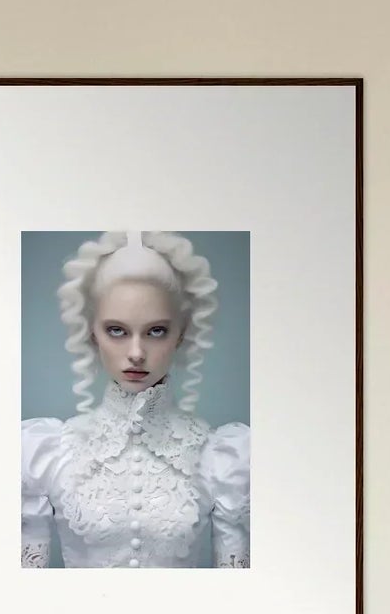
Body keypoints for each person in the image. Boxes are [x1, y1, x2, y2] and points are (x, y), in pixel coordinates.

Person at [21, 231, 251, 569]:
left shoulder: (223, 458)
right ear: (92, 333)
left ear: (181, 334)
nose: (136, 353)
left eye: (156, 331)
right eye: (117, 330)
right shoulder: (47, 452)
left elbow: (236, 593)